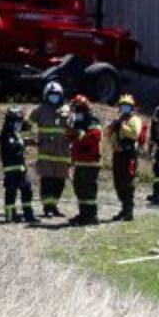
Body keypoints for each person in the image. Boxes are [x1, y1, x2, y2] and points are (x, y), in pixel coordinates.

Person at [25, 81, 71, 217]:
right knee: (47, 181)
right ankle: (47, 207)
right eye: (51, 94)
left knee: (60, 182)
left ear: (61, 95)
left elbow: (74, 128)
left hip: (63, 153)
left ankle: (54, 205)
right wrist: (28, 140)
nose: (54, 97)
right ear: (46, 95)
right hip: (46, 152)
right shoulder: (39, 110)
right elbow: (26, 126)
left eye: (56, 95)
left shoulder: (67, 110)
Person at [107, 94, 146, 222]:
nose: (125, 108)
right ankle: (123, 209)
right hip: (118, 154)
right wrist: (113, 128)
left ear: (132, 107)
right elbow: (109, 135)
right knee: (118, 182)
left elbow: (135, 134)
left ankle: (128, 210)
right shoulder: (119, 120)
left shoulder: (135, 120)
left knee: (127, 182)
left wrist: (122, 126)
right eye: (123, 106)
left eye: (127, 106)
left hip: (129, 155)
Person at [65, 95, 103, 226]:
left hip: (91, 162)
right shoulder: (77, 122)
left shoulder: (93, 121)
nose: (77, 112)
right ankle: (83, 214)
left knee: (89, 190)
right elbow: (70, 137)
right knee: (79, 188)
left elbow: (94, 137)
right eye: (75, 109)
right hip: (79, 162)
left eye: (79, 109)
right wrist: (71, 131)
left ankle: (91, 216)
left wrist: (79, 135)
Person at [0, 106, 38, 224]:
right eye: (17, 120)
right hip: (11, 169)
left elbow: (19, 143)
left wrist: (27, 142)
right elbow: (12, 147)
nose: (19, 123)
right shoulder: (7, 134)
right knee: (11, 191)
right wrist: (22, 144)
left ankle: (28, 214)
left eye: (20, 121)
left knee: (27, 190)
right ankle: (10, 215)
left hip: (21, 168)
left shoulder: (16, 133)